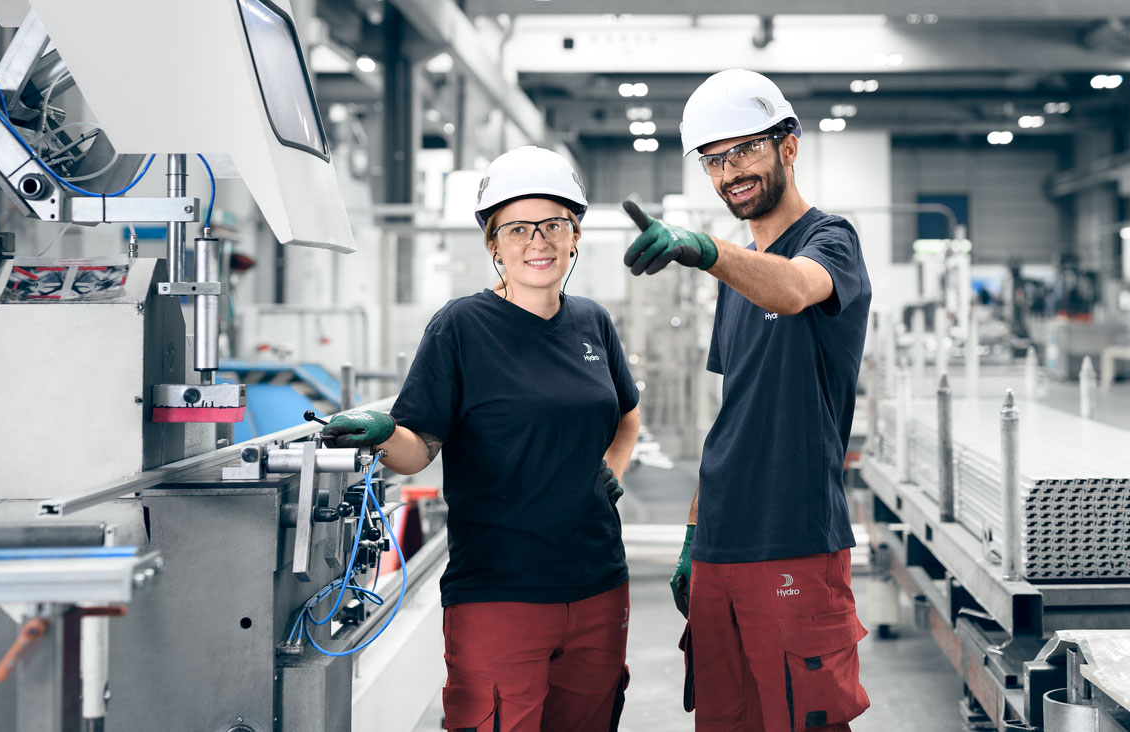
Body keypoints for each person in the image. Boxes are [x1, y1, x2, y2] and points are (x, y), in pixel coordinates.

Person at [323, 146, 642, 731]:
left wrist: (613, 468)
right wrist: (381, 434)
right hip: (499, 588)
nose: (537, 241)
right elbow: (419, 446)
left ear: (575, 236)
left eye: (554, 225)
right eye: (517, 228)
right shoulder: (460, 327)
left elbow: (626, 415)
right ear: (493, 245)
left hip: (598, 583)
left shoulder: (593, 322)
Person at [623, 69, 872, 732]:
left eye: (745, 151)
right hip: (720, 552)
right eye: (714, 159)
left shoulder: (831, 242)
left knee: (802, 719)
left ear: (788, 146)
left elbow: (792, 289)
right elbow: (733, 418)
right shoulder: (734, 281)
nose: (730, 171)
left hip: (793, 540)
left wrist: (706, 250)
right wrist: (693, 533)